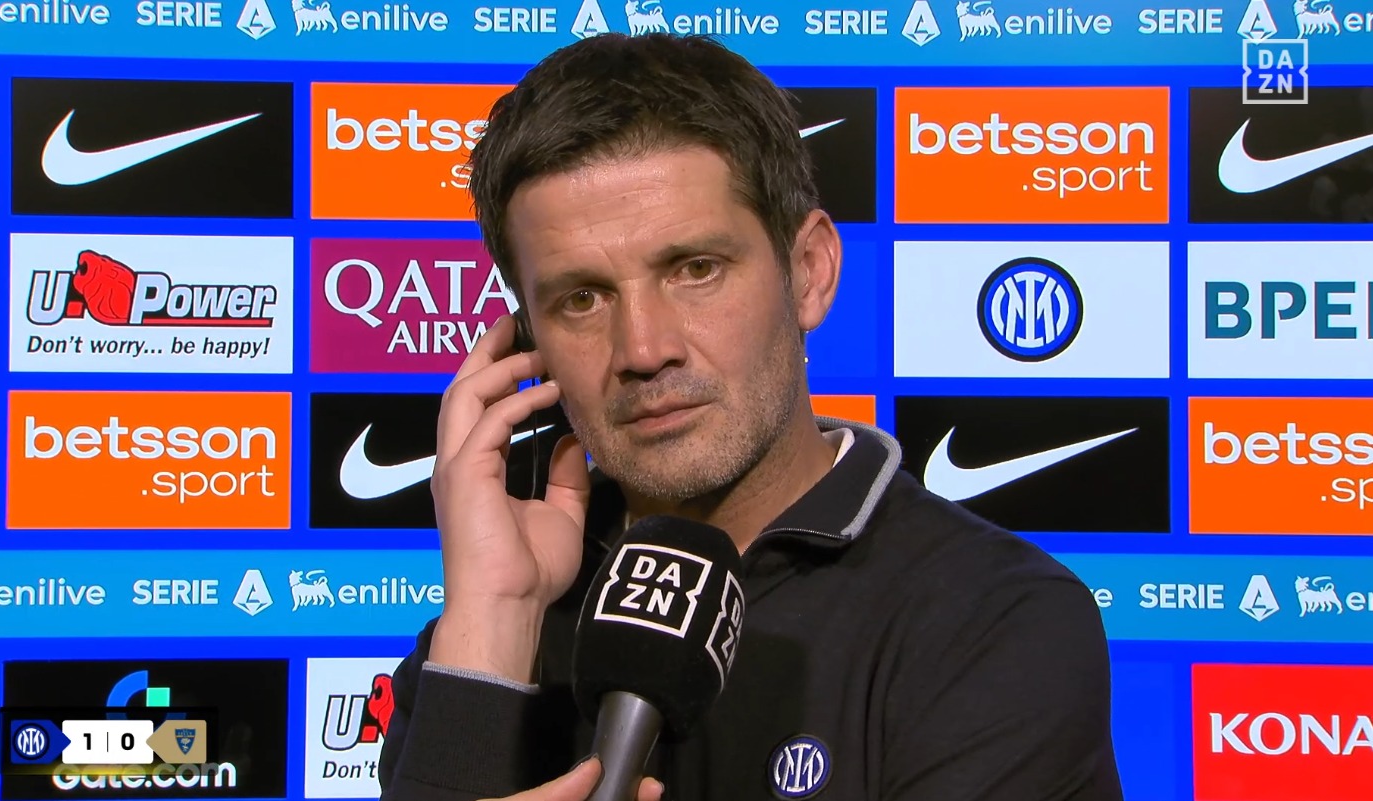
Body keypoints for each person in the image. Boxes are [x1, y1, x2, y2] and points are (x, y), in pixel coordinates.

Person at [377, 31, 1124, 801]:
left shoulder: (994, 618)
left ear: (808, 273)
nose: (644, 349)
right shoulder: (491, 620)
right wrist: (496, 617)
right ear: (527, 339)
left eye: (695, 269)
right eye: (582, 298)